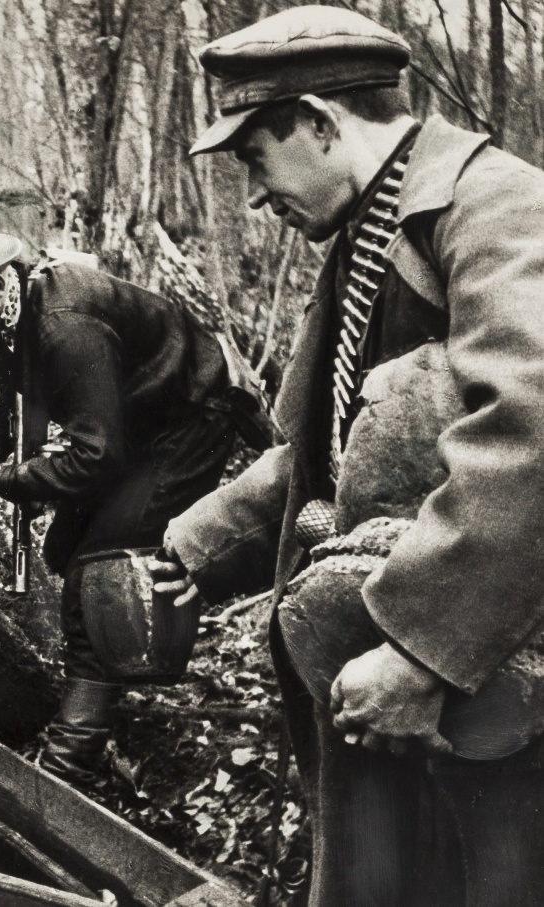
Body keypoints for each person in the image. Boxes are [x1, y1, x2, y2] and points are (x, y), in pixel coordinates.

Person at [153, 6, 544, 904]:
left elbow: (526, 433)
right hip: (405, 667)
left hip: (492, 672)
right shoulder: (371, 228)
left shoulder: (498, 207)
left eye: (254, 156)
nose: (253, 194)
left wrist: (420, 650)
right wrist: (203, 540)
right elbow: (332, 451)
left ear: (321, 125)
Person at [0, 199, 252, 786]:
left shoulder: (63, 324)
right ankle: (116, 674)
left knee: (96, 572)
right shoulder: (8, 311)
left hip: (187, 422)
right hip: (131, 422)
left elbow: (95, 456)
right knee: (62, 550)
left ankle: (71, 758)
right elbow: (15, 405)